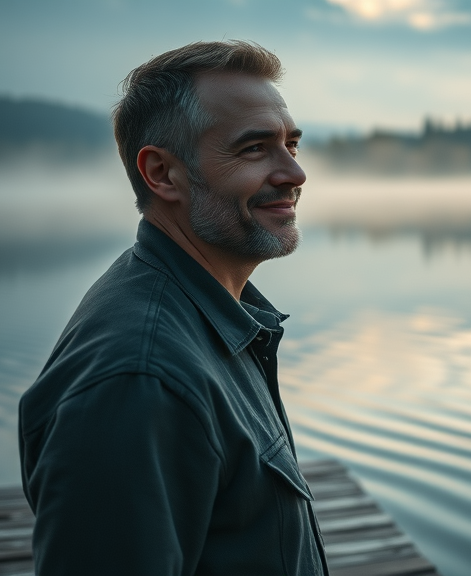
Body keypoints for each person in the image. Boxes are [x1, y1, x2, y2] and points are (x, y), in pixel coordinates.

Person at [18, 41, 327, 575]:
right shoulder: (141, 381)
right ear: (162, 173)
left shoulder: (205, 310)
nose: (294, 174)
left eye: (291, 145)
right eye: (255, 149)